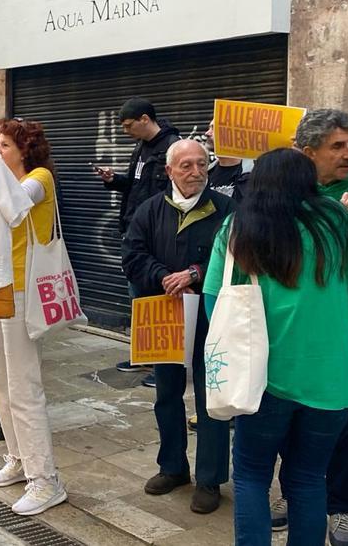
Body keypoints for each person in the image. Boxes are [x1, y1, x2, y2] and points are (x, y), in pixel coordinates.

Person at [203, 148, 348, 546]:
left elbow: (211, 300)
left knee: (252, 475)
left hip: (261, 380)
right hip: (330, 382)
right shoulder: (336, 220)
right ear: (310, 182)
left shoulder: (238, 227)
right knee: (308, 477)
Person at [262, 109, 348, 543]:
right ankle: (293, 492)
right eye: (336, 146)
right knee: (286, 416)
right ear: (308, 152)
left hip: (347, 335)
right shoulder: (285, 196)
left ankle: (342, 507)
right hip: (289, 336)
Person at [122, 138, 234, 514]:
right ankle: (172, 467)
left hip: (211, 316)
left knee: (211, 400)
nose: (196, 173)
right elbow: (132, 255)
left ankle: (210, 479)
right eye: (186, 166)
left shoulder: (226, 209)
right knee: (167, 394)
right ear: (169, 171)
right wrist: (162, 275)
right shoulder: (150, 209)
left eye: (202, 164)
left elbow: (241, 257)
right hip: (164, 313)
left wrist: (195, 273)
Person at [0, 117, 68, 516]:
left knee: (24, 385)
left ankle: (45, 479)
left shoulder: (40, 178)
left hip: (21, 289)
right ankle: (17, 458)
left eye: (2, 146)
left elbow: (13, 204)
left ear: (24, 150)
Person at [95, 97, 180, 373]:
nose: (126, 131)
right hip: (135, 232)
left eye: (129, 125)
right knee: (139, 298)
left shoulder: (172, 147)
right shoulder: (141, 147)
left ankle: (163, 365)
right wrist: (113, 179)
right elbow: (135, 186)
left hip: (157, 235)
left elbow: (175, 195)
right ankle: (143, 355)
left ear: (145, 119)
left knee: (159, 299)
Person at [204, 119, 251, 202]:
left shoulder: (252, 175)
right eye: (209, 128)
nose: (207, 133)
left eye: (214, 129)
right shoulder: (206, 173)